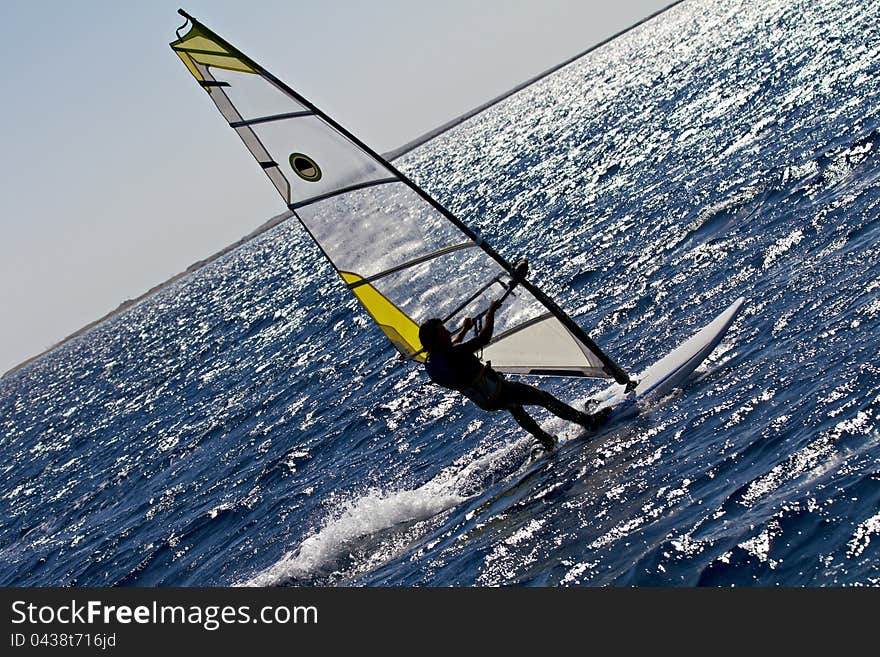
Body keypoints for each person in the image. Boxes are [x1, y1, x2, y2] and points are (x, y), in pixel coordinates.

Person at [418, 299, 611, 452]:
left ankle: (546, 440)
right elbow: (483, 338)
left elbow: (449, 347)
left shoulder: (432, 362)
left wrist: (464, 330)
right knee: (543, 398)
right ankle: (588, 422)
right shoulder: (454, 354)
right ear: (436, 340)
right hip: (498, 390)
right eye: (443, 331)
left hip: (486, 400)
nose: (447, 332)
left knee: (516, 408)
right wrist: (490, 312)